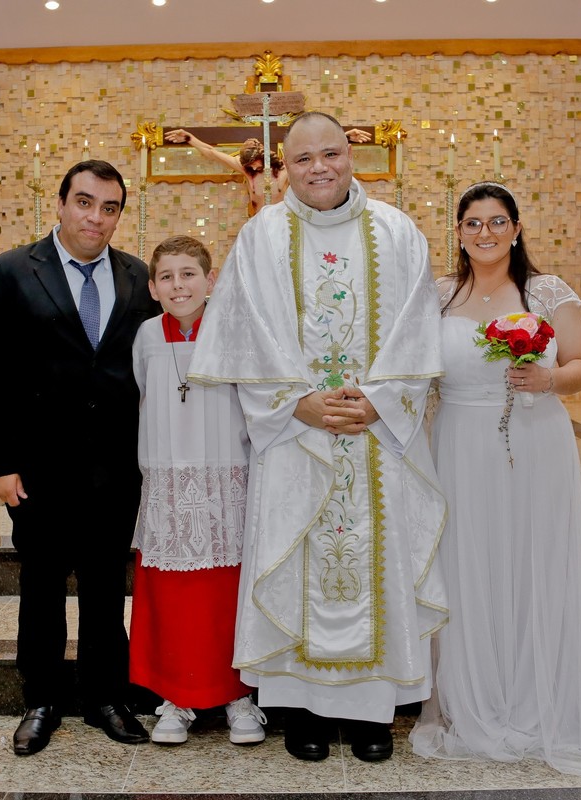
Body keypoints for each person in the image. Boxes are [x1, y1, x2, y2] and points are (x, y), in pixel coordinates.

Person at [188, 111, 447, 764]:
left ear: (351, 155)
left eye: (330, 153)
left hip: (375, 432)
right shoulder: (260, 236)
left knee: (379, 561)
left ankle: (371, 714)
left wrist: (380, 400)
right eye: (303, 158)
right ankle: (301, 710)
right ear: (286, 166)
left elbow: (418, 324)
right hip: (295, 434)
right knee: (296, 554)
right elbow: (244, 334)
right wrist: (293, 403)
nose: (319, 168)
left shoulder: (397, 231)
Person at [408, 181, 581, 776]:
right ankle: (471, 698)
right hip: (457, 442)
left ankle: (541, 696)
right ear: (458, 232)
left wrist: (549, 380)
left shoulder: (546, 291)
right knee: (467, 562)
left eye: (497, 221)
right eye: (473, 223)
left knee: (534, 558)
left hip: (534, 440)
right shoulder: (437, 295)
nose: (485, 232)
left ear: (516, 229)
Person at [0, 160, 160, 756]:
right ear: (61, 204)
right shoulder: (10, 271)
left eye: (109, 207)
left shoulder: (138, 277)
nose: (95, 217)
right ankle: (42, 699)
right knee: (42, 584)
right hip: (38, 467)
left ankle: (106, 697)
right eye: (85, 202)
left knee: (105, 586)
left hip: (117, 468)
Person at [127, 235, 267, 747]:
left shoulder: (235, 330)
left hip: (225, 479)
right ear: (152, 288)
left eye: (188, 274)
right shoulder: (146, 336)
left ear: (211, 280)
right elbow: (141, 395)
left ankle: (238, 697)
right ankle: (175, 698)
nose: (178, 285)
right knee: (172, 596)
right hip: (167, 480)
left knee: (226, 594)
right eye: (166, 277)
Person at [164, 127, 373, 217]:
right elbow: (212, 153)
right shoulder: (247, 170)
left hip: (284, 223)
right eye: (250, 166)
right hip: (257, 223)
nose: (255, 168)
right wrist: (189, 138)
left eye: (257, 164)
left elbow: (313, 153)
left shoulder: (286, 171)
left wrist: (344, 137)